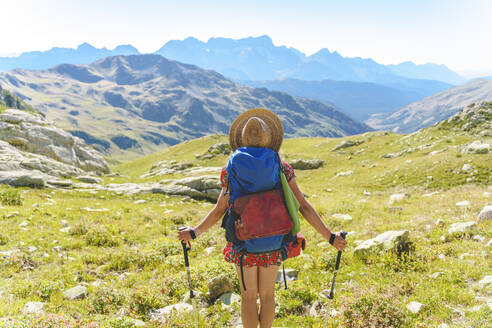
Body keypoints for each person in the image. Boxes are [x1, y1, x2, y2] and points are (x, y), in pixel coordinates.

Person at [177, 108, 347, 328]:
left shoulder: (231, 168)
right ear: (271, 140)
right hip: (274, 241)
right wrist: (330, 236)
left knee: (248, 298)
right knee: (267, 296)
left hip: (243, 243)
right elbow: (303, 206)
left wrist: (194, 232)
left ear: (240, 140)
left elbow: (220, 208)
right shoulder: (282, 168)